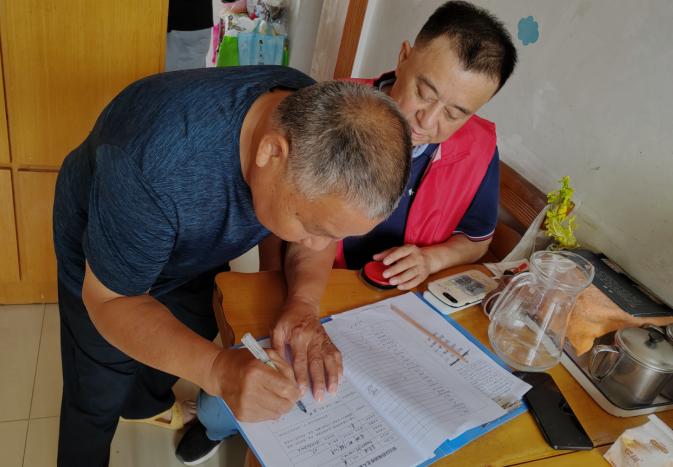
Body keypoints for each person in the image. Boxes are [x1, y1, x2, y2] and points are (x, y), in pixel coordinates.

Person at [185, 2, 518, 463]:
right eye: (424, 92)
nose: (428, 121)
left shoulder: (480, 149)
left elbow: (477, 240)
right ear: (404, 57)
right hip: (308, 285)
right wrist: (279, 288)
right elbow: (278, 216)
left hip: (395, 314)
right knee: (242, 386)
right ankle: (212, 424)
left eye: (456, 113)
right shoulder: (334, 111)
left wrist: (433, 259)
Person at [52, 65, 411, 467]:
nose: (319, 246)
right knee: (97, 390)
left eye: (334, 235)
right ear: (271, 152)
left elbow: (314, 230)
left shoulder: (309, 116)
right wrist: (217, 370)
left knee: (197, 320)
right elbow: (111, 300)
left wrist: (303, 303)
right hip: (108, 254)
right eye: (313, 228)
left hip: (192, 247)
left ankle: (142, 404)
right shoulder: (151, 167)